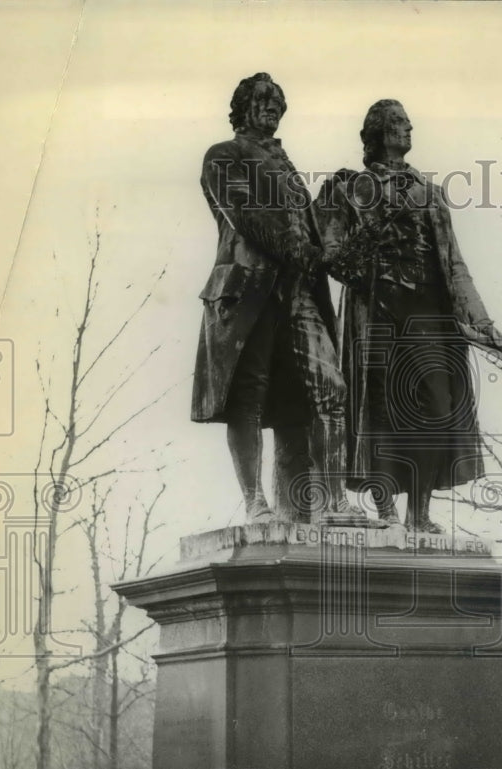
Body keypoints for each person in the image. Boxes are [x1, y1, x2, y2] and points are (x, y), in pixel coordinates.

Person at [316, 99, 502, 532]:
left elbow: (454, 262)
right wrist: (363, 264)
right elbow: (332, 254)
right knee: (378, 408)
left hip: (430, 312)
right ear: (377, 132)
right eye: (398, 122)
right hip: (378, 309)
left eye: (407, 121)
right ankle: (386, 511)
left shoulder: (428, 192)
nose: (409, 127)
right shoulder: (348, 188)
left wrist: (483, 323)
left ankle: (420, 512)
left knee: (435, 408)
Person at [192, 72, 361, 524]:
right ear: (242, 106)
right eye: (263, 99)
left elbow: (305, 228)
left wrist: (332, 196)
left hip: (298, 289)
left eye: (278, 101)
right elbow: (246, 214)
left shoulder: (286, 166)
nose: (272, 107)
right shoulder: (223, 155)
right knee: (249, 395)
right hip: (249, 289)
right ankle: (255, 504)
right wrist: (298, 250)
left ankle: (334, 504)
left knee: (330, 389)